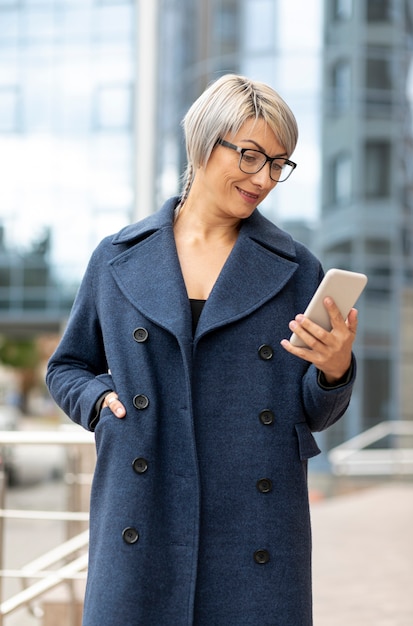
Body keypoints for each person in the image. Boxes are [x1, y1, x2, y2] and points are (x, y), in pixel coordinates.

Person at [46, 74, 358, 626]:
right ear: (203, 144)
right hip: (143, 504)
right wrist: (100, 405)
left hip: (256, 524)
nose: (264, 178)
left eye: (279, 164)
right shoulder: (117, 259)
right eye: (251, 155)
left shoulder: (295, 268)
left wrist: (334, 371)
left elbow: (314, 409)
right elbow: (68, 366)